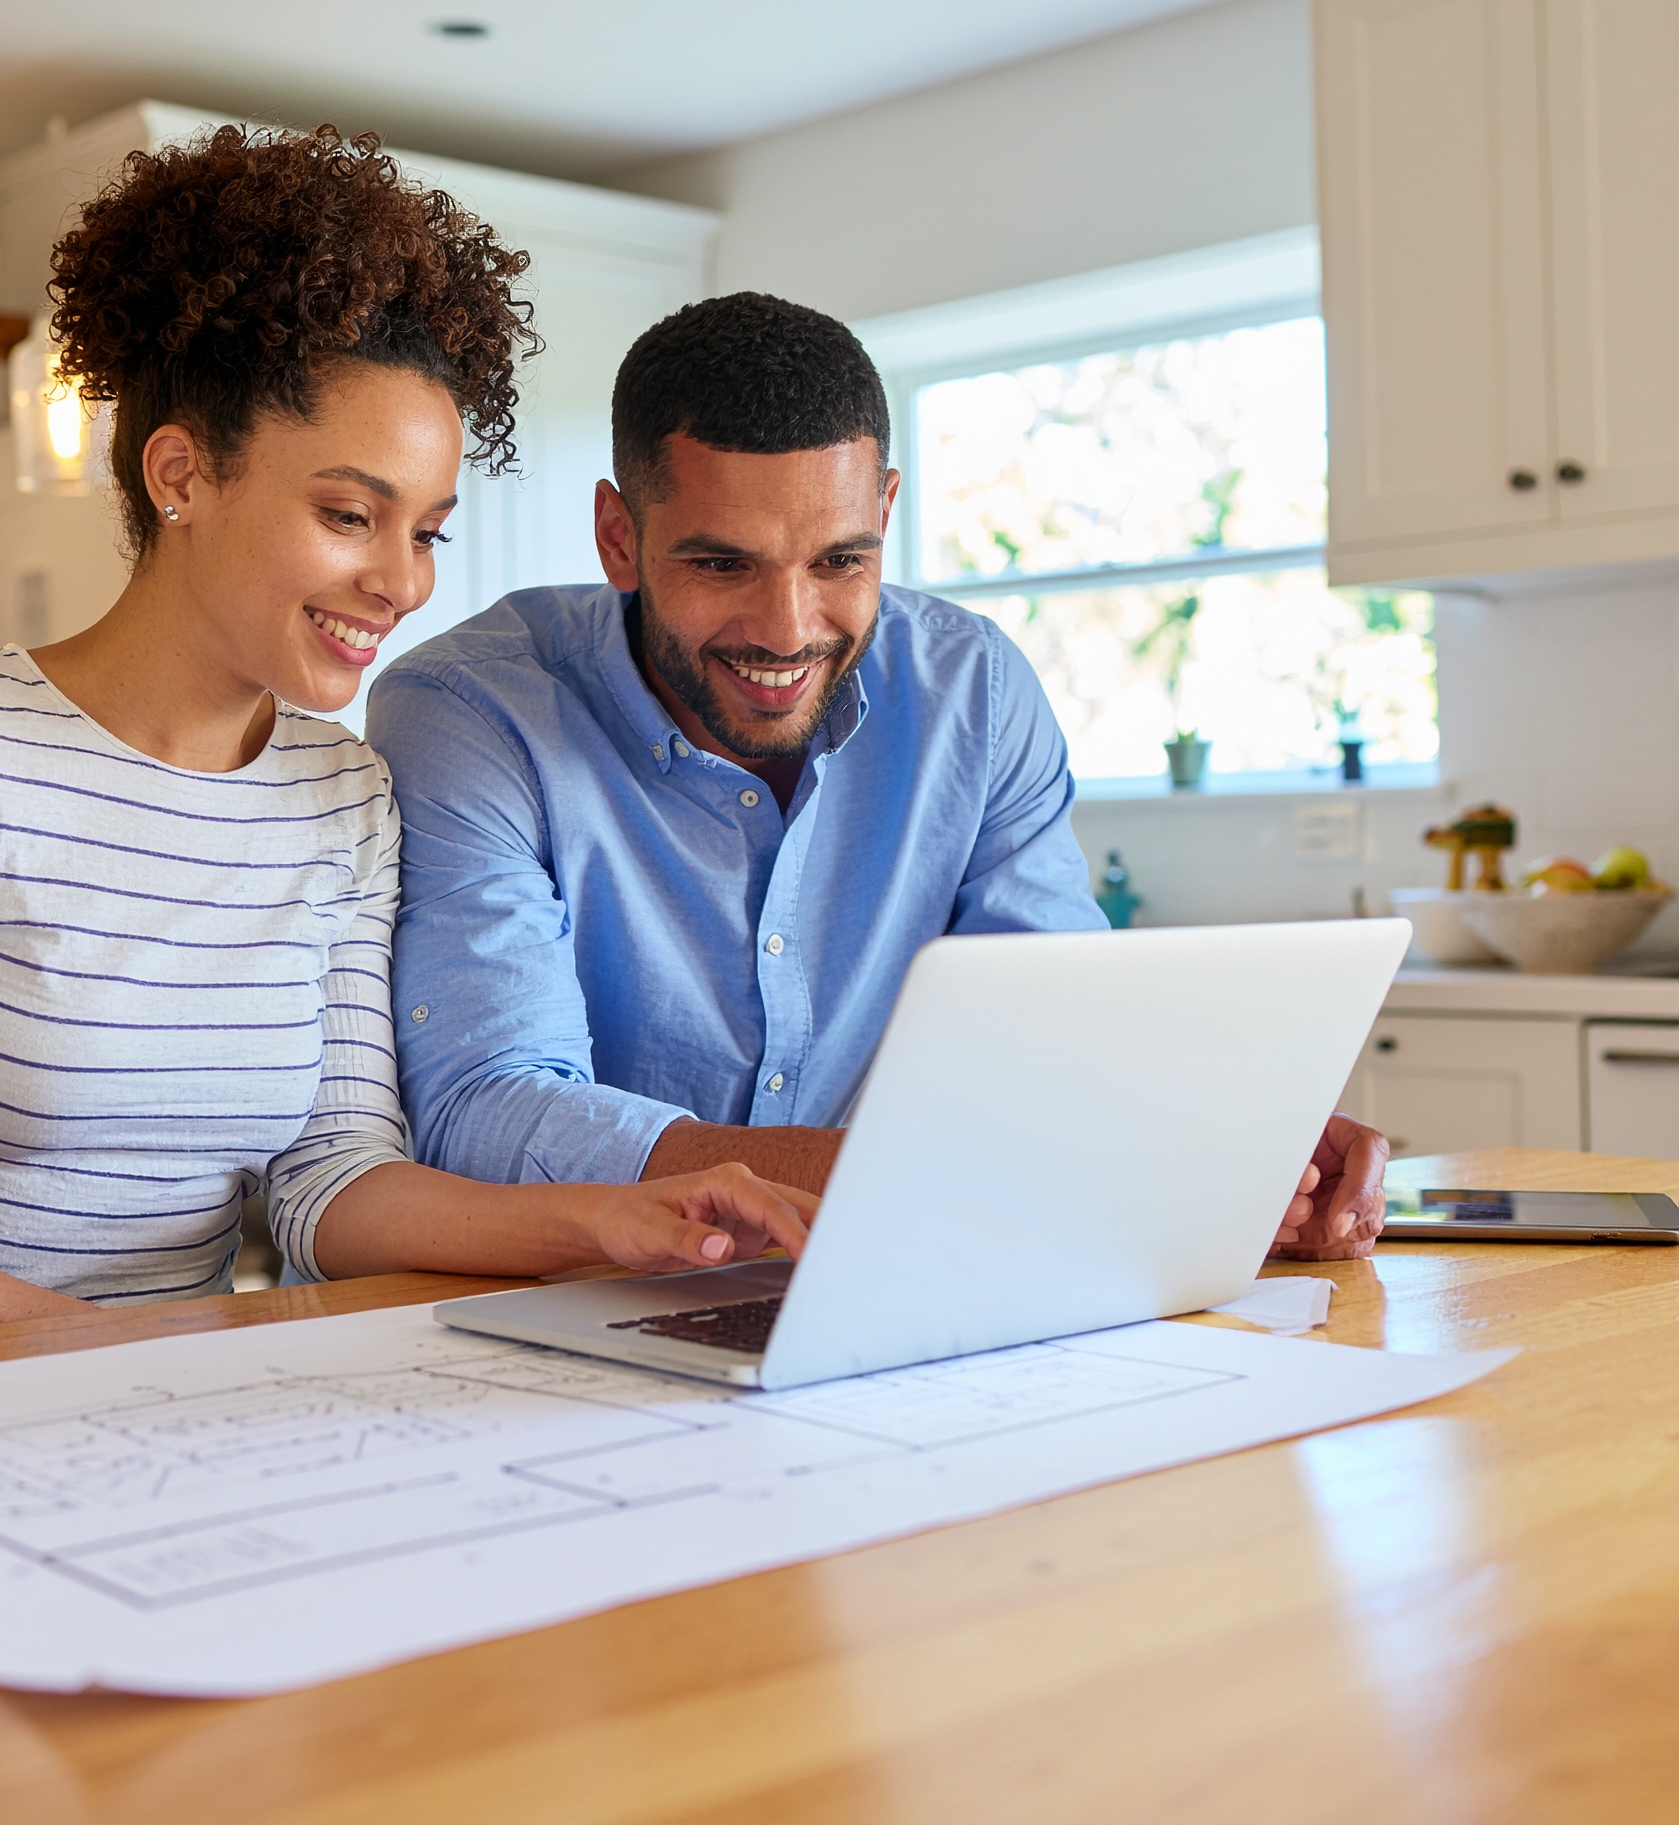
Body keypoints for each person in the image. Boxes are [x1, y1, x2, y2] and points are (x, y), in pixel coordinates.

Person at [0, 133, 813, 1353]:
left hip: (174, 1420)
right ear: (180, 473)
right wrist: (176, 1365)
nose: (400, 582)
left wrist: (607, 1220)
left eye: (429, 531)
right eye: (349, 514)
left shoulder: (338, 792)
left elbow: (327, 1181)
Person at [366, 292, 1387, 1259]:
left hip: (869, 1285)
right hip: (551, 1305)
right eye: (722, 564)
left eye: (839, 561)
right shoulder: (472, 710)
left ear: (886, 511)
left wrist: (1226, 1150)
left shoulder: (971, 692)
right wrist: (909, 1178)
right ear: (619, 537)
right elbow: (485, 1104)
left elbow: (1049, 1032)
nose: (786, 628)